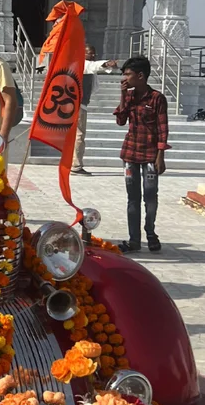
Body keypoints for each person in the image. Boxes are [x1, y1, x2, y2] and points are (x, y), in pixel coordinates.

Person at [113, 56, 169, 253]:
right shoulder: (128, 96)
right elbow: (120, 121)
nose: (124, 78)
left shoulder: (157, 98)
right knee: (133, 197)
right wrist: (122, 96)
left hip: (151, 155)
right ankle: (134, 240)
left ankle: (150, 232)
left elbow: (163, 129)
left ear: (140, 75)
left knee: (151, 197)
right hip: (130, 153)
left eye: (128, 74)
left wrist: (160, 155)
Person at [72, 45, 119, 176]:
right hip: (78, 105)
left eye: (94, 54)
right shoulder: (81, 64)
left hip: (80, 104)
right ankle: (75, 165)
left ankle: (73, 164)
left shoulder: (86, 66)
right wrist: (106, 63)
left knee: (77, 136)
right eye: (90, 54)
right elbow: (92, 66)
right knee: (79, 136)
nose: (92, 56)